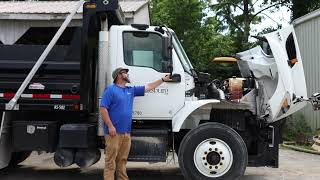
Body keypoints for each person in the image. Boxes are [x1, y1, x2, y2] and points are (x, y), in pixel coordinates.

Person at [100, 67, 171, 180]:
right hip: (114, 133)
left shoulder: (130, 90)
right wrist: (110, 126)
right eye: (125, 73)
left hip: (126, 133)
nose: (128, 74)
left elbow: (149, 87)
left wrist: (162, 79)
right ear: (119, 75)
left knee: (122, 161)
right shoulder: (111, 90)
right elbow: (103, 109)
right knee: (110, 162)